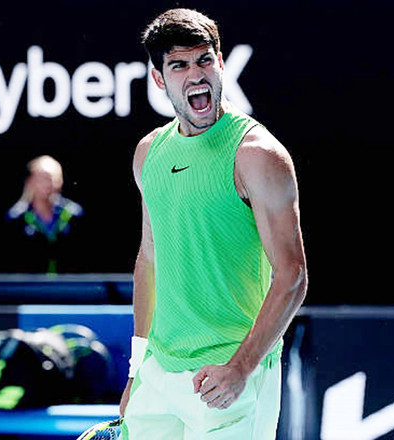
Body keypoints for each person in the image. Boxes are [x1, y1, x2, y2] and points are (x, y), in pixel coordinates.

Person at [118, 8, 308, 440]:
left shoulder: (258, 155)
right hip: (158, 375)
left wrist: (241, 368)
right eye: (179, 65)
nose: (195, 75)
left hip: (229, 377)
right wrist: (138, 369)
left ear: (221, 63)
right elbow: (150, 259)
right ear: (159, 78)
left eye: (204, 60)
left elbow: (293, 276)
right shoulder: (149, 153)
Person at [4, 155, 84, 273]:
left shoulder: (74, 215)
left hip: (68, 282)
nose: (48, 184)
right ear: (30, 181)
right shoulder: (17, 218)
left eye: (53, 178)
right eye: (42, 179)